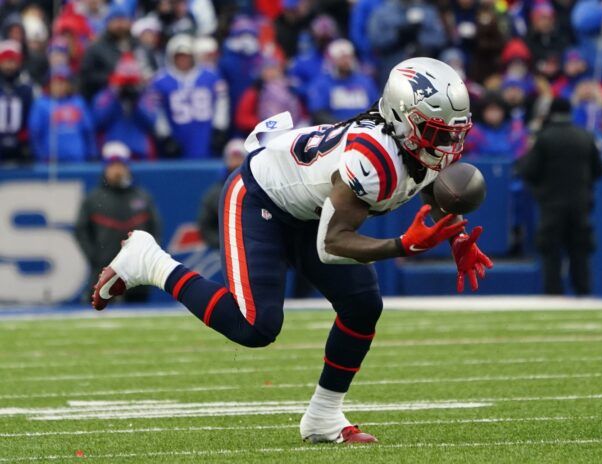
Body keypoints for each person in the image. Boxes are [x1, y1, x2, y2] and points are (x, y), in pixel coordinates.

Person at [92, 57, 493, 444]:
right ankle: (150, 260)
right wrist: (402, 245)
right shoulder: (373, 158)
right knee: (255, 327)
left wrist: (456, 235)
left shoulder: (419, 145)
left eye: (455, 134)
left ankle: (323, 417)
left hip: (310, 206)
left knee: (362, 305)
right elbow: (332, 244)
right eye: (440, 134)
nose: (449, 146)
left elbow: (438, 191)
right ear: (404, 119)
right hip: (260, 196)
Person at [517, 98, 602, 295]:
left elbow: (530, 171)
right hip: (580, 205)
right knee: (580, 251)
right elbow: (599, 170)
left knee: (551, 251)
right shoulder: (586, 136)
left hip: (551, 205)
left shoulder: (544, 138)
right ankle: (583, 292)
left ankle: (554, 293)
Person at [75, 141, 161, 303]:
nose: (117, 170)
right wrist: (95, 256)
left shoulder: (141, 196)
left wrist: (147, 256)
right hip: (103, 270)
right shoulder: (94, 199)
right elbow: (81, 231)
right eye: (112, 165)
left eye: (120, 165)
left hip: (137, 273)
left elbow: (155, 227)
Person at [149, 34, 229, 158]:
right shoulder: (160, 80)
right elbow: (156, 110)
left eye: (187, 56)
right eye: (179, 56)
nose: (183, 60)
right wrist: (165, 135)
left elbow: (222, 102)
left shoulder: (211, 76)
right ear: (171, 57)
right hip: (177, 133)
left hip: (205, 131)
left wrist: (219, 128)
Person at [92, 53, 157, 159]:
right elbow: (97, 122)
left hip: (139, 152)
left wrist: (136, 102)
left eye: (131, 82)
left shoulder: (145, 95)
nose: (127, 87)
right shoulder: (106, 95)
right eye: (124, 82)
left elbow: (151, 122)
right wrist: (115, 97)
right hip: (113, 152)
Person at [29, 65, 96, 162]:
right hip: (51, 162)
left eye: (63, 82)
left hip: (77, 159)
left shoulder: (78, 102)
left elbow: (88, 130)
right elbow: (35, 133)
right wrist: (40, 156)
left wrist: (92, 153)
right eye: (56, 82)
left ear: (69, 84)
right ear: (49, 84)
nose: (60, 86)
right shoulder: (41, 104)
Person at [307, 39, 379, 125]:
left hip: (365, 128)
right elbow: (318, 113)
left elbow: (376, 107)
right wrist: (343, 125)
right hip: (335, 130)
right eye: (341, 58)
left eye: (348, 57)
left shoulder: (366, 82)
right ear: (332, 60)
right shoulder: (321, 84)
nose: (346, 61)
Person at [79, 5, 135, 102]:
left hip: (135, 102)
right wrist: (110, 78)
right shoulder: (96, 48)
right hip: (105, 101)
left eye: (123, 20)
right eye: (116, 20)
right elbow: (86, 77)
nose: (120, 25)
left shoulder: (138, 46)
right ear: (108, 23)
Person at [197, 139, 246, 249]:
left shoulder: (256, 189)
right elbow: (205, 225)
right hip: (224, 249)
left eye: (240, 157)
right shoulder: (215, 194)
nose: (236, 162)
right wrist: (224, 244)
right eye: (233, 158)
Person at [0, 40, 34, 165]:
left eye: (12, 61)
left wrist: (25, 139)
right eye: (6, 61)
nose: (9, 66)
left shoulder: (25, 88)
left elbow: (29, 115)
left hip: (19, 144)